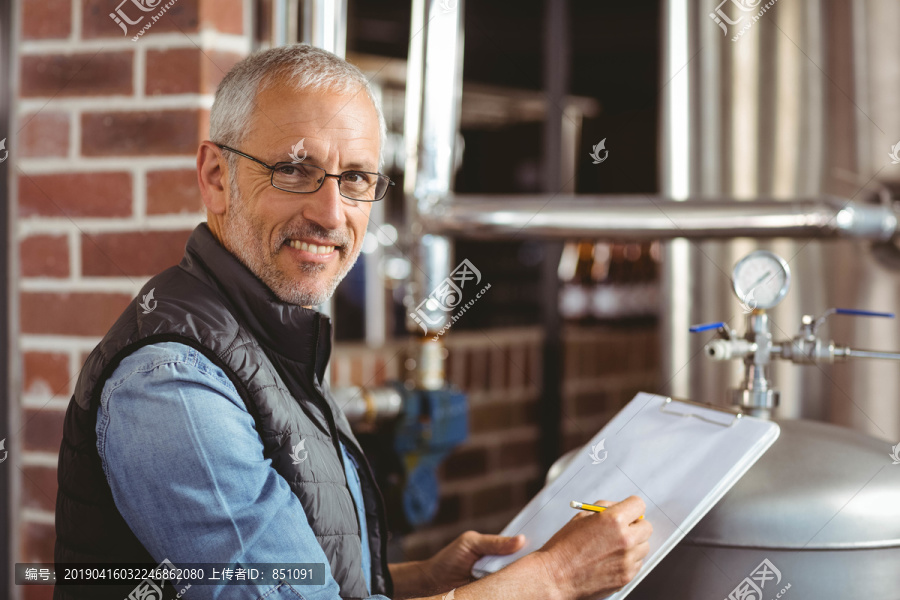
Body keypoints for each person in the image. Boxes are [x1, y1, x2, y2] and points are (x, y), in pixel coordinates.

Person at [53, 44, 652, 600]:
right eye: (292, 170)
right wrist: (552, 578)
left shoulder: (272, 337)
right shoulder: (172, 384)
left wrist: (411, 579)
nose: (330, 213)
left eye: (357, 179)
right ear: (216, 178)